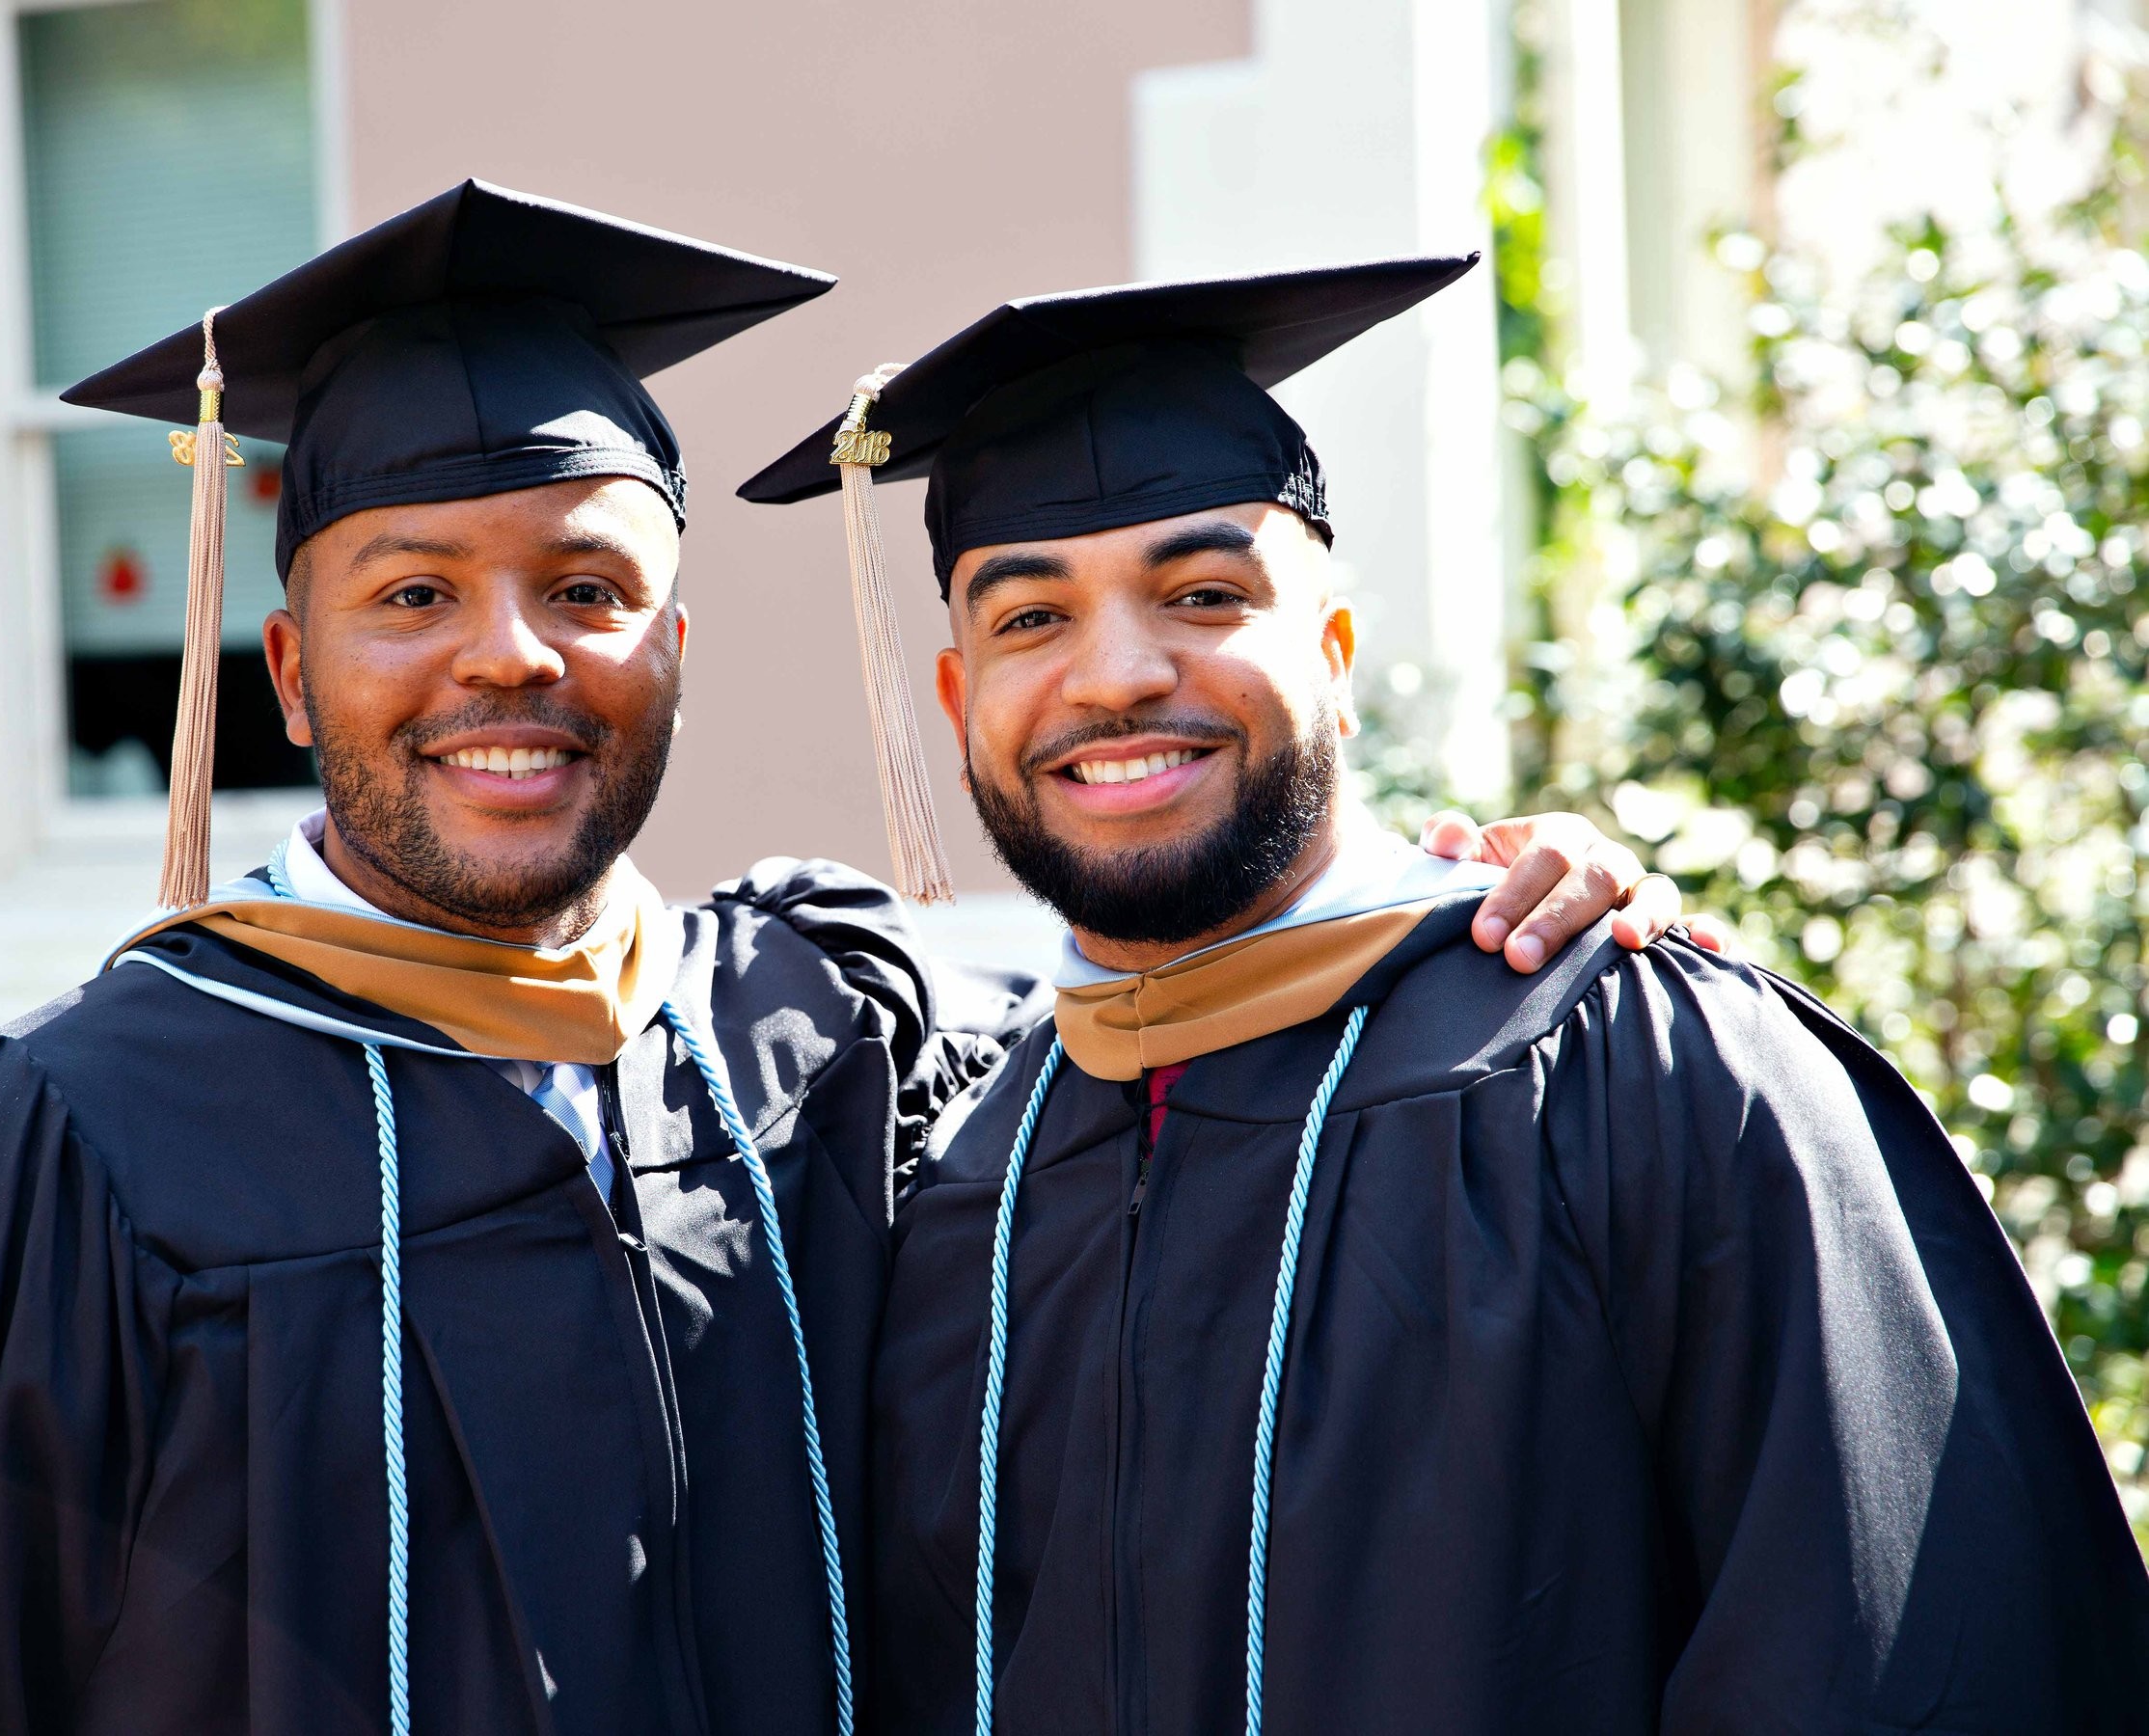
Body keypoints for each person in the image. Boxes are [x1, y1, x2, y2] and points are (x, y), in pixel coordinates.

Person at [0, 189, 1679, 1736]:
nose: (509, 659)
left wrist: (1463, 894)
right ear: (291, 675)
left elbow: (1209, 1097)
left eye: (588, 590)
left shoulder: (836, 1039)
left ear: (674, 650)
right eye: (413, 596)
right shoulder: (55, 1152)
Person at [743, 258, 2149, 1732]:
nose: (1116, 675)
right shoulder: (971, 1164)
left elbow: (1897, 1657)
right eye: (1032, 618)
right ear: (964, 705)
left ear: (1337, 656)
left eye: (1204, 593)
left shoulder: (1642, 1071)